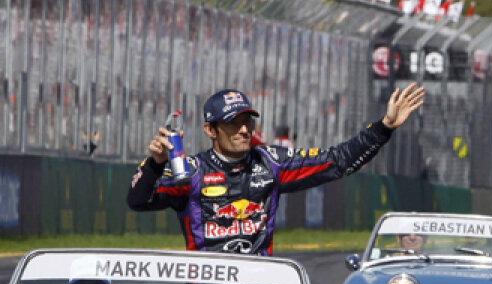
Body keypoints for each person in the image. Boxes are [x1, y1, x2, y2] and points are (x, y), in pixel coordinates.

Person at [128, 83, 424, 255]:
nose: (244, 130)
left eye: (248, 121)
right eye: (233, 123)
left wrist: (384, 127)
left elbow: (338, 161)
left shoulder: (271, 161)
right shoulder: (191, 171)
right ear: (210, 129)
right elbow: (138, 201)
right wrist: (154, 164)